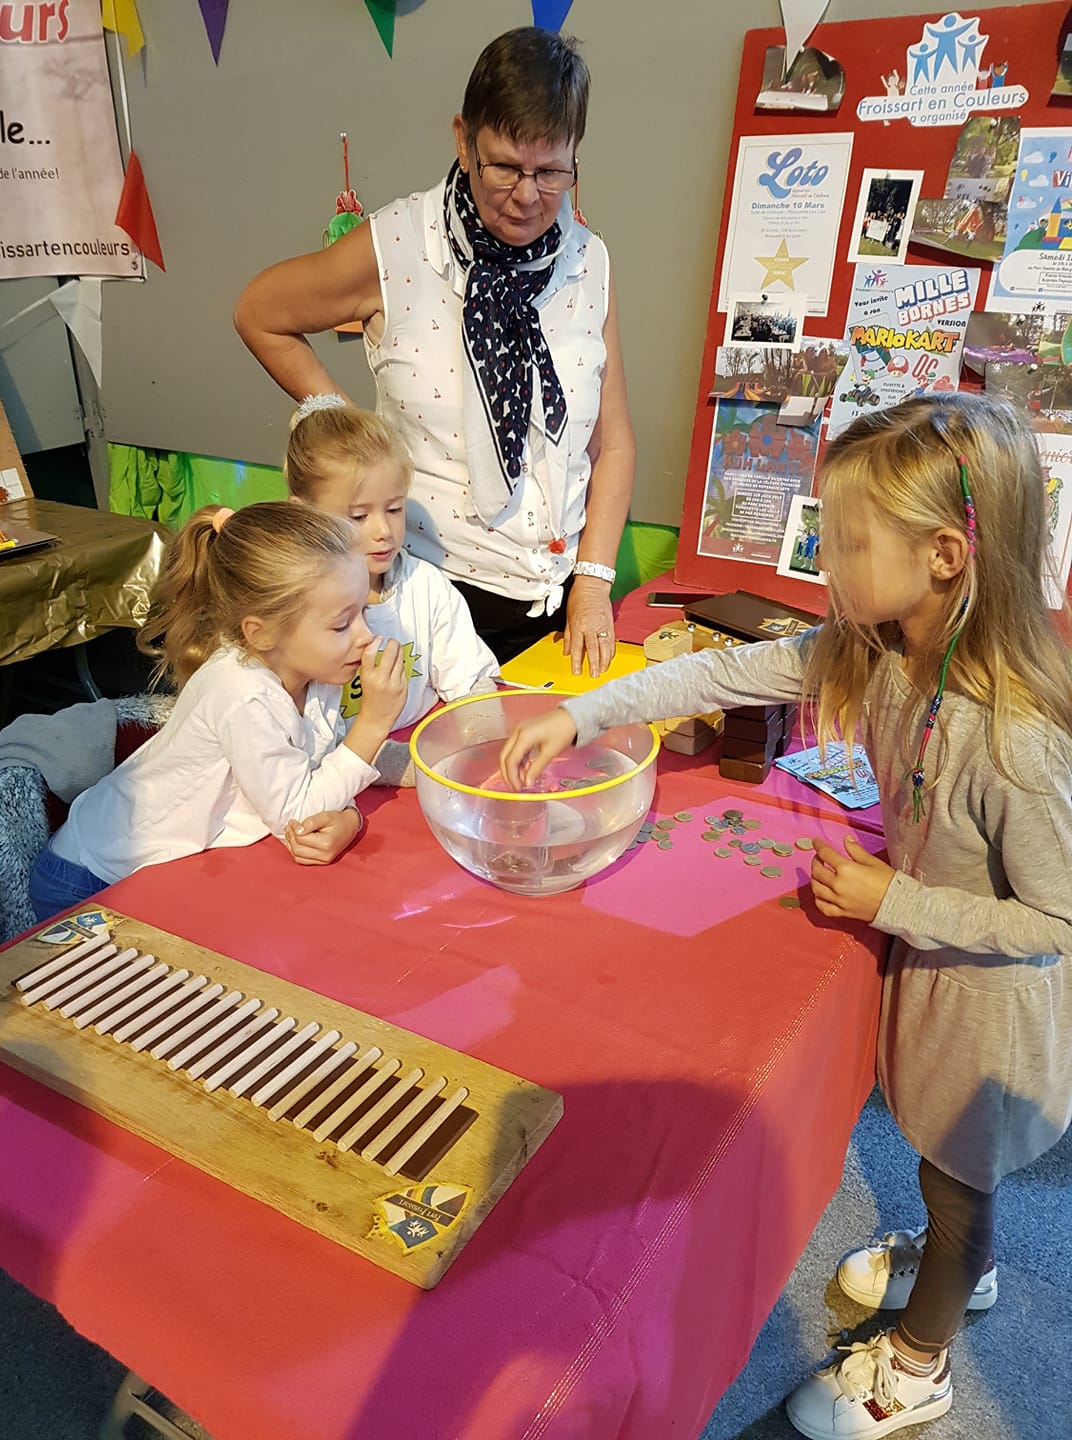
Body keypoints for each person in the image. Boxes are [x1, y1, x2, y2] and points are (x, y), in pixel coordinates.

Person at [499, 392, 1072, 1439]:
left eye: (845, 544)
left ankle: (917, 1367)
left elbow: (1058, 921)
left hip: (986, 1016)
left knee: (955, 1180)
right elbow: (724, 666)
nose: (824, 565)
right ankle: (966, 1268)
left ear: (945, 555)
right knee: (942, 1166)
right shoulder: (877, 649)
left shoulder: (1016, 741)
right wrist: (582, 709)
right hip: (931, 971)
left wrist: (896, 898)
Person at [234, 27, 635, 676]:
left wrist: (592, 581)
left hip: (560, 608)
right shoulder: (397, 246)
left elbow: (612, 442)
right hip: (429, 605)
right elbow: (260, 314)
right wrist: (351, 440)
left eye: (552, 170)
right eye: (504, 166)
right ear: (462, 138)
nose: (528, 195)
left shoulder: (589, 262)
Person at [28, 503, 408, 919]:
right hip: (92, 880)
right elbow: (298, 813)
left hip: (160, 871)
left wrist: (361, 807)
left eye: (363, 612)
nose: (366, 637)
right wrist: (374, 722)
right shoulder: (244, 694)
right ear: (261, 634)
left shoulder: (313, 670)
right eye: (342, 624)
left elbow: (324, 763)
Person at [285, 395, 500, 746]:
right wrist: (412, 767)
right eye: (358, 516)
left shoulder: (425, 585)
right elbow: (312, 742)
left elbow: (470, 680)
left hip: (428, 745)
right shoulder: (296, 608)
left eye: (395, 509)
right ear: (303, 513)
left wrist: (483, 743)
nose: (383, 530)